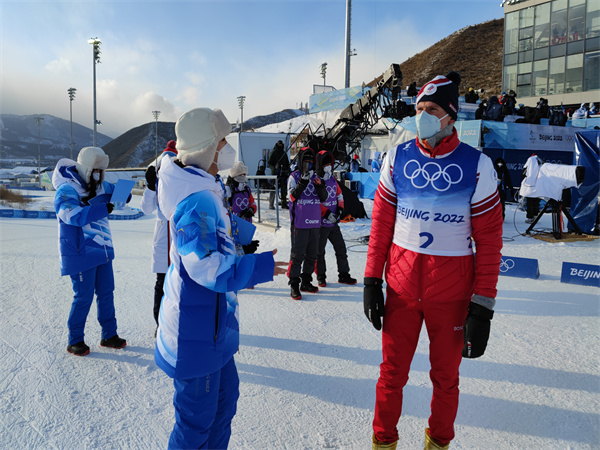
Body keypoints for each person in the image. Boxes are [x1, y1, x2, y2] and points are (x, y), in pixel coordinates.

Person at [363, 71, 503, 450]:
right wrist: (372, 281)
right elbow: (380, 225)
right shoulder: (398, 157)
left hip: (452, 295)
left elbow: (489, 241)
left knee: (446, 380)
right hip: (403, 290)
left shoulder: (477, 165)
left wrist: (483, 307)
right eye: (419, 108)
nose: (422, 116)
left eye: (431, 109)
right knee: (391, 375)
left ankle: (438, 444)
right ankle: (383, 442)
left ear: (451, 115)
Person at [154, 107, 287, 450]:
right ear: (206, 147)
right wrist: (258, 268)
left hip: (215, 326)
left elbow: (219, 226)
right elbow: (206, 266)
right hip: (195, 330)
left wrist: (243, 234)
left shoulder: (205, 186)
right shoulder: (193, 199)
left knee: (225, 402)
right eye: (223, 141)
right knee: (196, 422)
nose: (228, 148)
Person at [52, 146, 129, 356]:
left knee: (106, 293)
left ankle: (109, 335)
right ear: (86, 169)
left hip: (102, 249)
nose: (98, 174)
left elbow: (121, 195)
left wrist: (127, 192)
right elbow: (70, 214)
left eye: (100, 171)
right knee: (83, 297)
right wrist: (103, 208)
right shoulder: (67, 189)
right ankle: (75, 340)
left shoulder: (101, 185)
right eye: (95, 170)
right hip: (80, 252)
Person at [140, 140, 178, 333]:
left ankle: (178, 322)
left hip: (180, 237)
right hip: (164, 238)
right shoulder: (158, 183)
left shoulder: (182, 181)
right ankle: (160, 324)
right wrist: (150, 188)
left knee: (180, 284)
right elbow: (146, 208)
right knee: (162, 284)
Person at [287, 147, 328, 299]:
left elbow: (324, 198)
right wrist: (302, 182)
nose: (309, 164)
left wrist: (319, 186)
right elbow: (291, 197)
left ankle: (306, 281)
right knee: (297, 256)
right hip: (300, 224)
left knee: (312, 255)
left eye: (311, 162)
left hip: (315, 223)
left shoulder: (317, 177)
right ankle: (294, 284)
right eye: (306, 161)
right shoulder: (294, 177)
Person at [314, 150, 357, 287]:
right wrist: (326, 214)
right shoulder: (316, 180)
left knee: (341, 249)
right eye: (325, 164)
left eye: (329, 163)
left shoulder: (332, 179)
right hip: (322, 224)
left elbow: (339, 194)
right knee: (319, 252)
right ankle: (321, 276)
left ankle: (344, 274)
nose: (328, 166)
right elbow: (315, 201)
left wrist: (340, 209)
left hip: (334, 224)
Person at [268, 139, 290, 209]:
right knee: (273, 189)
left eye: (281, 144)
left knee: (284, 189)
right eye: (279, 144)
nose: (280, 145)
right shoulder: (273, 153)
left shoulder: (284, 153)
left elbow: (287, 163)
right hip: (275, 174)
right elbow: (269, 163)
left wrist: (287, 170)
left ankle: (284, 203)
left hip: (283, 174)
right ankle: (271, 204)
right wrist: (274, 169)